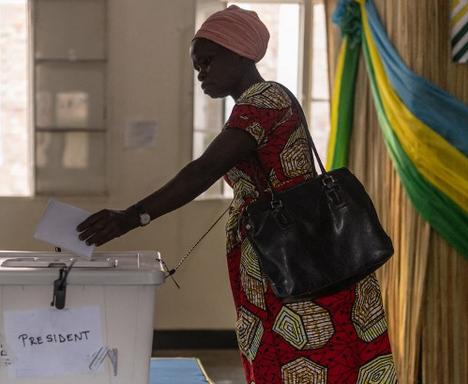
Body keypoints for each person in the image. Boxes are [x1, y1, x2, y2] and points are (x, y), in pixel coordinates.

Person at [77, 5, 395, 383]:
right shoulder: (253, 105)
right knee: (304, 355)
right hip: (290, 247)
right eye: (197, 66)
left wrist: (131, 217)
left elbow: (203, 170)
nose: (202, 73)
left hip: (295, 250)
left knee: (305, 356)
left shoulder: (264, 99)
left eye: (208, 61)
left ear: (240, 54)